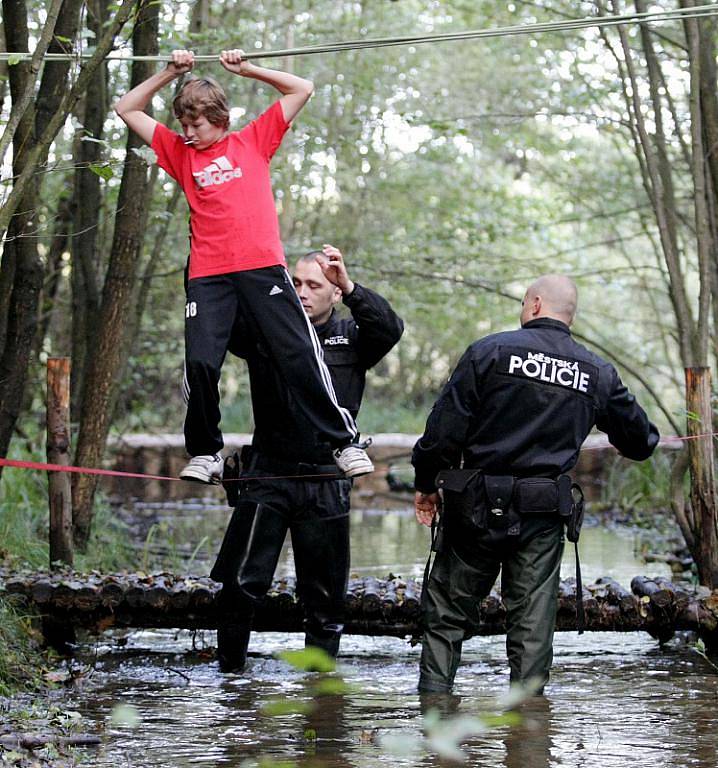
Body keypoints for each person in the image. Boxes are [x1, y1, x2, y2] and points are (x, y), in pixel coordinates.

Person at [114, 49, 373, 483]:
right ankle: (205, 452)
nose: (189, 131)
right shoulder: (179, 153)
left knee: (298, 353)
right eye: (184, 124)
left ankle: (344, 441)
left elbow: (301, 88)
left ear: (221, 119)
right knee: (200, 363)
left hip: (262, 269)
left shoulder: (252, 140)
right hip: (209, 276)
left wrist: (246, 68)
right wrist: (170, 72)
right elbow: (126, 108)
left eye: (197, 124)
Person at [412, 274, 659, 694]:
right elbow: (641, 442)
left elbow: (442, 432)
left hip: (473, 508)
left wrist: (425, 482)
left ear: (536, 304)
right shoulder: (595, 372)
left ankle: (433, 716)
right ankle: (528, 734)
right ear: (570, 315)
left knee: (446, 617)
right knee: (531, 628)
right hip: (542, 515)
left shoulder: (488, 352)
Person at [210, 245, 404, 671]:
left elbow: (389, 328)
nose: (302, 292)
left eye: (314, 285)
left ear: (333, 292)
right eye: (296, 283)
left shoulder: (353, 337)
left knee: (325, 599)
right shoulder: (267, 331)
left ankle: (320, 694)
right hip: (266, 475)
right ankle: (231, 683)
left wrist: (350, 286)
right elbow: (222, 316)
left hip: (325, 479)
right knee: (240, 586)